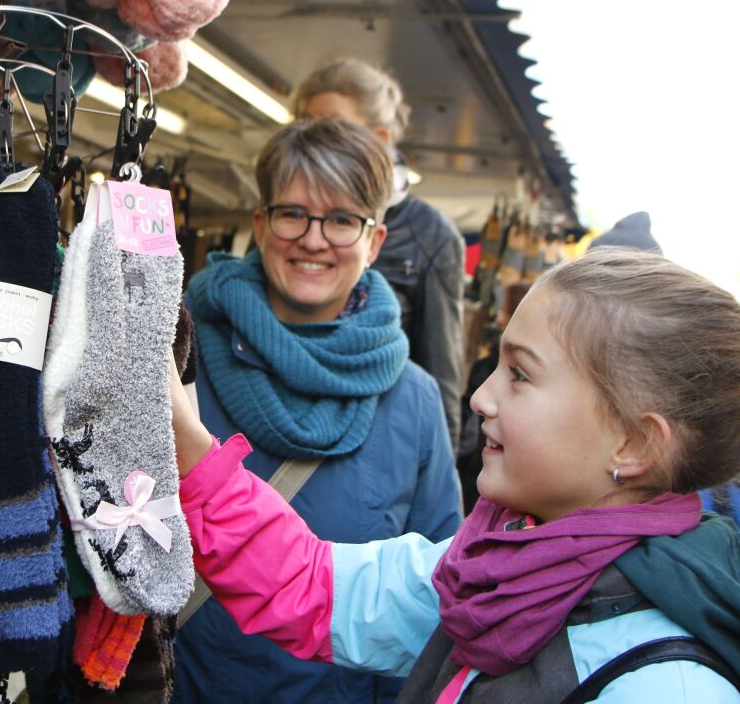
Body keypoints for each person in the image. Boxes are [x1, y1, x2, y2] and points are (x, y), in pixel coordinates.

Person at [170, 247, 740, 702]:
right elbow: (310, 585)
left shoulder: (665, 686)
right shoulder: (491, 570)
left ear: (635, 442)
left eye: (520, 374)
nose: (479, 397)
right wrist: (193, 450)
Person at [172, 118, 461, 703]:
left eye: (341, 219)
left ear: (374, 240)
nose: (313, 239)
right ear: (260, 225)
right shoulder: (177, 359)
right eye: (293, 214)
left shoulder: (413, 400)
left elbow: (437, 599)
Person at [293, 60, 465, 451]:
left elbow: (442, 372)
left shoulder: (430, 234)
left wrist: (437, 466)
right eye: (302, 125)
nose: (312, 142)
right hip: (279, 423)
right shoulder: (285, 217)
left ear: (380, 138)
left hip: (378, 440)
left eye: (332, 128)